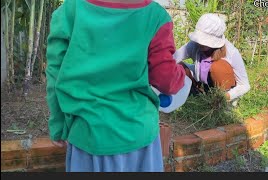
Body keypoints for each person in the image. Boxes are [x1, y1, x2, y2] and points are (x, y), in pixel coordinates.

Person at [46, 0, 185, 172]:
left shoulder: (71, 9)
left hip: (88, 134)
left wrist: (58, 125)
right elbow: (166, 79)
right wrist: (182, 73)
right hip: (138, 136)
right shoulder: (155, 16)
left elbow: (54, 72)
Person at [174, 13, 250, 105]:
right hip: (201, 83)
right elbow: (174, 57)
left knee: (217, 67)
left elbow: (244, 85)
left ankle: (222, 105)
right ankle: (195, 95)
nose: (201, 43)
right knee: (177, 65)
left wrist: (225, 97)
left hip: (222, 93)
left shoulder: (231, 52)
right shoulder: (194, 44)